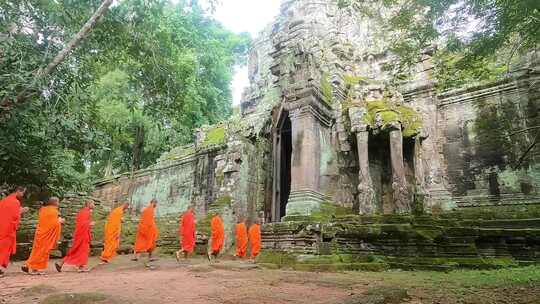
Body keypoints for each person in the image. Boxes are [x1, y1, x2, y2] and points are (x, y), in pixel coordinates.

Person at [22, 197, 64, 275]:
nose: (59, 203)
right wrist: (60, 221)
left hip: (40, 233)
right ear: (54, 203)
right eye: (58, 202)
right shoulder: (53, 211)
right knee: (42, 252)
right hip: (46, 235)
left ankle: (33, 267)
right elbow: (53, 224)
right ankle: (29, 265)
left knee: (37, 251)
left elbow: (46, 222)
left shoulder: (43, 209)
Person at [55, 200, 95, 273]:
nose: (94, 205)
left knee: (76, 250)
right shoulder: (86, 212)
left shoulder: (83, 212)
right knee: (83, 250)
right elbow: (82, 224)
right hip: (82, 235)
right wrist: (90, 223)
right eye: (93, 204)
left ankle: (61, 263)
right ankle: (80, 267)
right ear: (89, 204)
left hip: (81, 234)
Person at [0, 186, 29, 277]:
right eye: (23, 193)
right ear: (18, 191)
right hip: (8, 229)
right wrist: (22, 211)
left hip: (2, 227)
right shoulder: (15, 202)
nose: (23, 195)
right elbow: (15, 216)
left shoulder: (3, 201)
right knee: (5, 249)